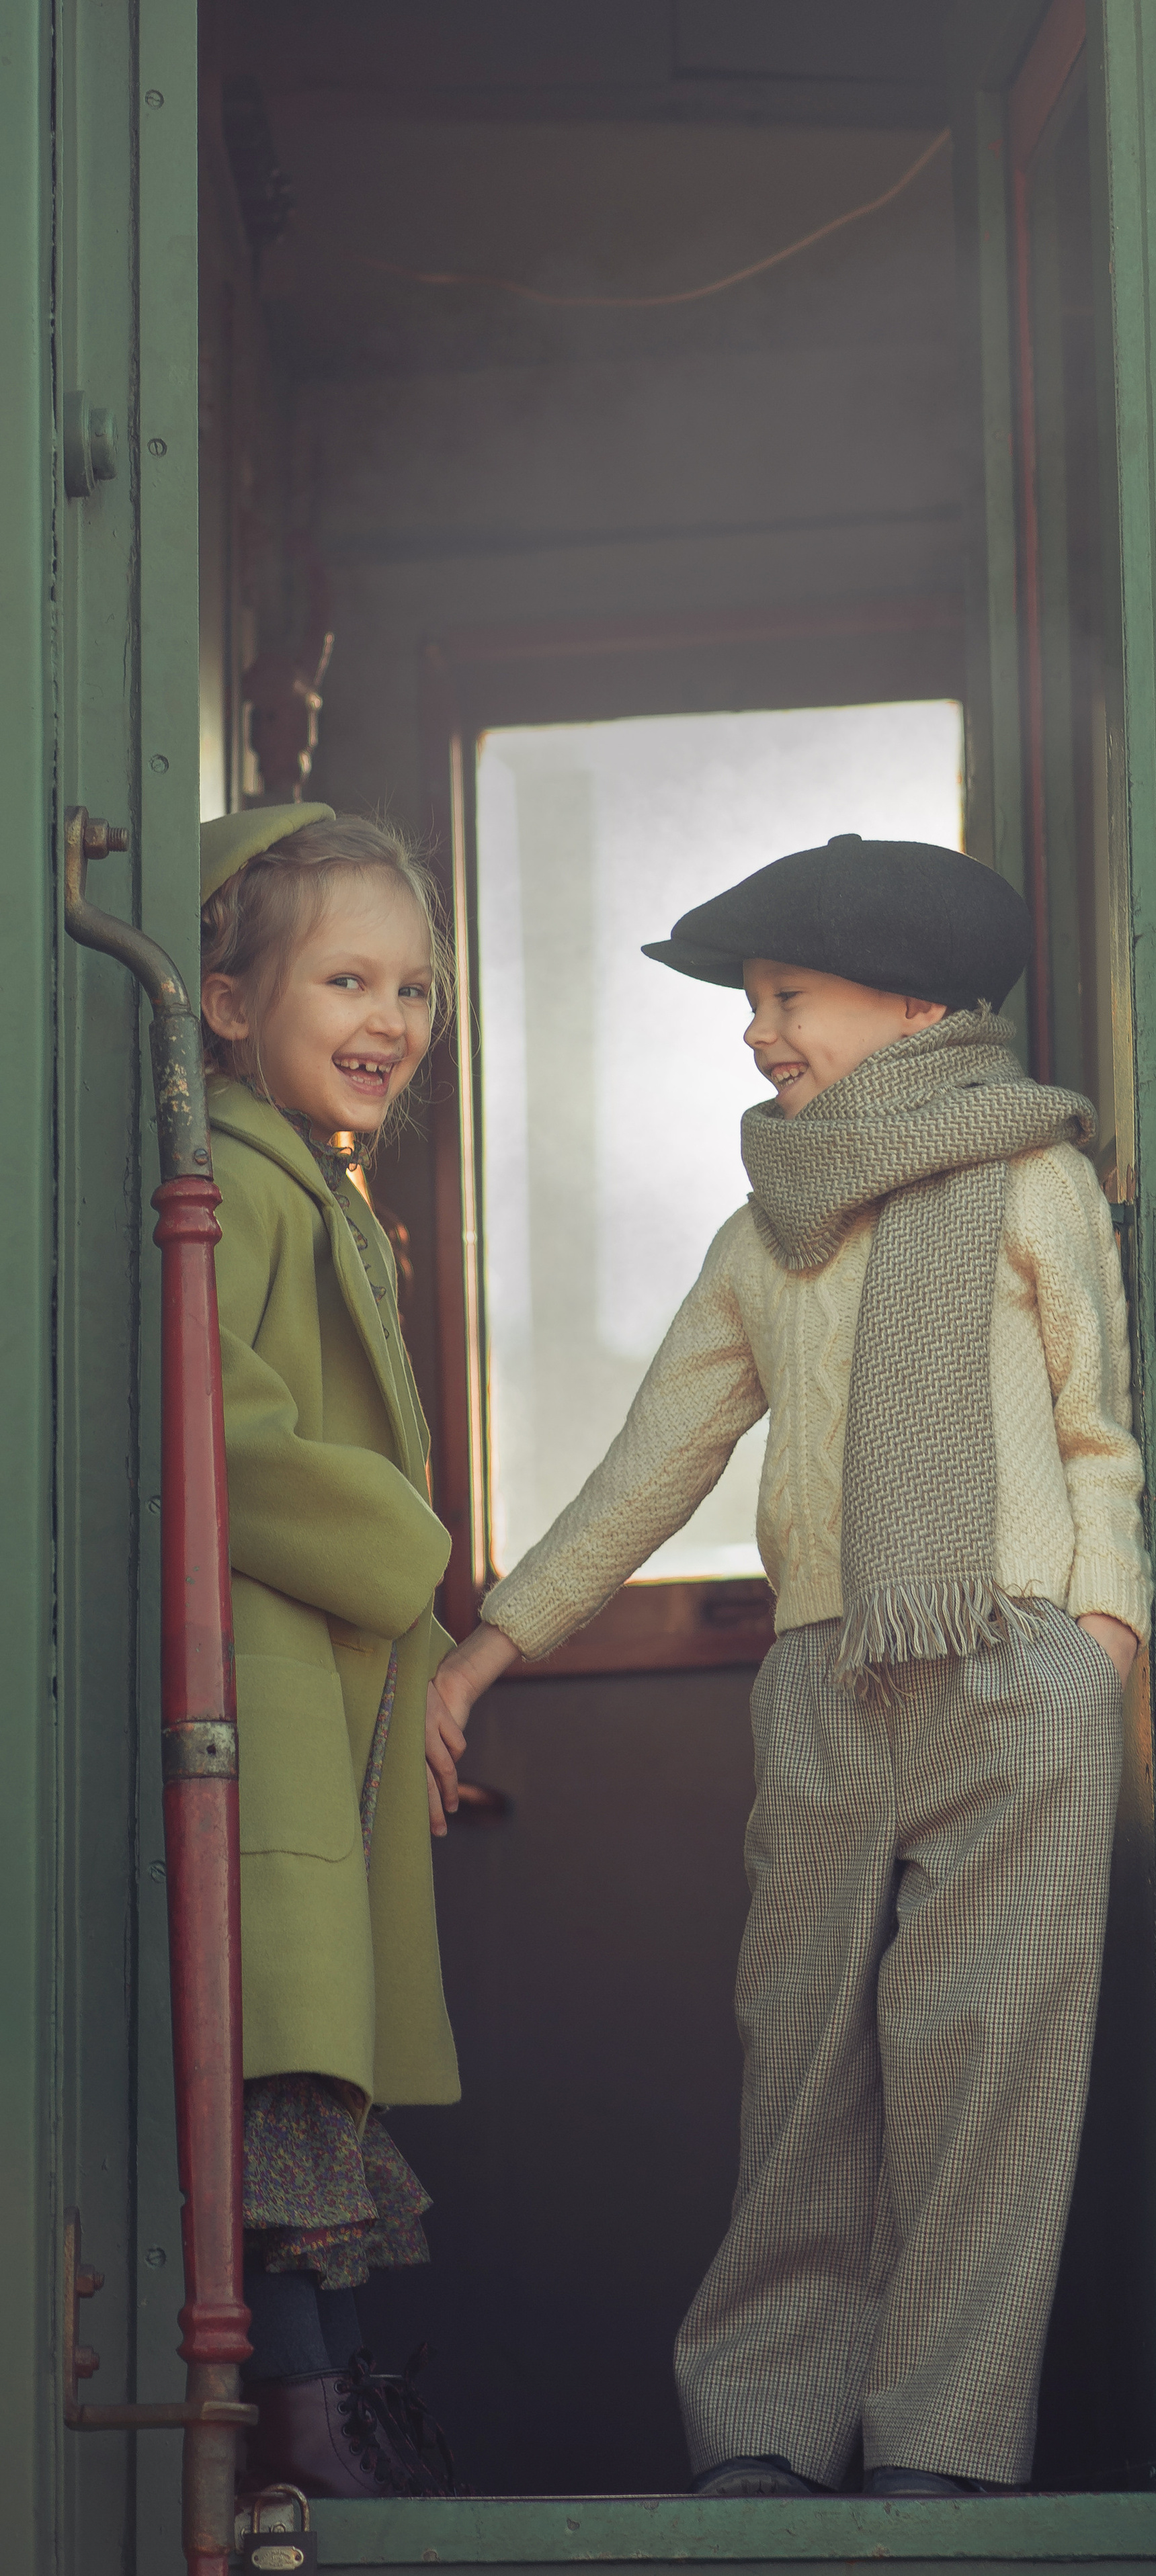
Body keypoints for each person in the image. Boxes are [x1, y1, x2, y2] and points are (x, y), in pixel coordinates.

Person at [432, 833, 1153, 2499]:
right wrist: (485, 1652)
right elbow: (646, 1469)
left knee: (991, 2077)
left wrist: (1091, 1640)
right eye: (751, 1004)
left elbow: (1094, 1434)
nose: (758, 1034)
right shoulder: (765, 1234)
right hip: (829, 1690)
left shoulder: (1030, 1172)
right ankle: (763, 2432)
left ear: (911, 1005)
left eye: (786, 998)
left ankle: (941, 2450)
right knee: (803, 2063)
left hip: (1012, 1667)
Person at [198, 804, 471, 2501]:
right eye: (348, 981)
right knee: (280, 2060)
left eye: (418, 989)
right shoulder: (236, 1170)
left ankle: (324, 2412)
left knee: (305, 2067)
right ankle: (299, 2435)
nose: (390, 1021)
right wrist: (415, 1561)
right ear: (231, 1003)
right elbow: (216, 1436)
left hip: (326, 1695)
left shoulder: (320, 1181)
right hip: (270, 1701)